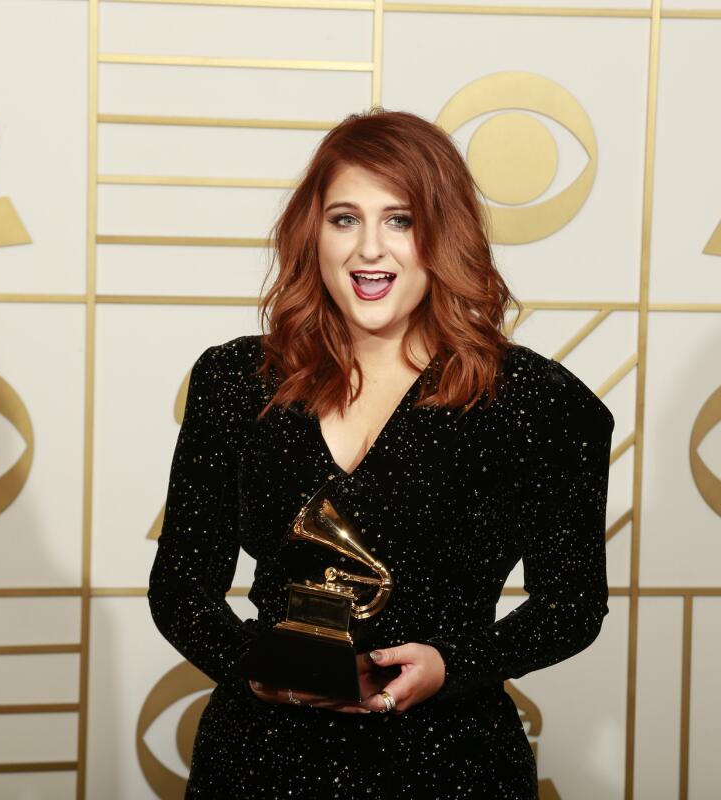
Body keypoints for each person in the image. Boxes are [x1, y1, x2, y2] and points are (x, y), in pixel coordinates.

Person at [147, 107, 614, 798]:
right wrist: (254, 664)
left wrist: (452, 664)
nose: (370, 248)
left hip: (452, 766)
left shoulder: (536, 402)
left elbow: (571, 603)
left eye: (400, 220)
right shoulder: (233, 382)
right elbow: (181, 586)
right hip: (258, 766)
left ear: (442, 235)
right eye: (345, 219)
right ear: (313, 233)